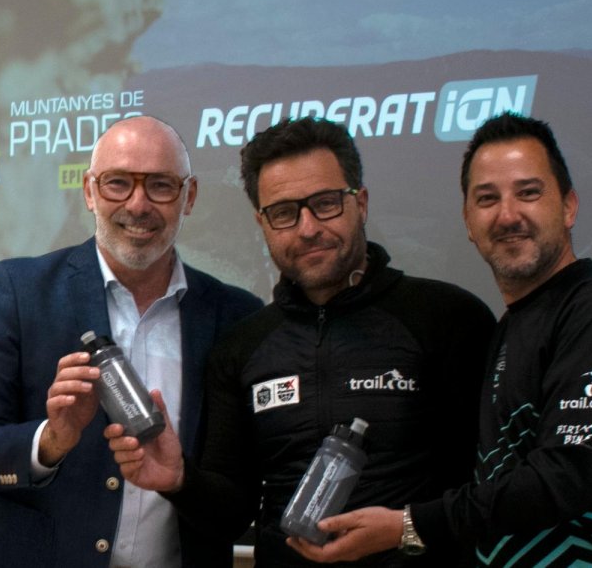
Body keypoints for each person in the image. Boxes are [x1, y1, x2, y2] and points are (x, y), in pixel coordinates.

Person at [288, 112, 592, 567]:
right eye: (487, 198)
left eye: (528, 193)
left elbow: (560, 480)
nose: (507, 215)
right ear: (467, 221)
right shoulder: (510, 327)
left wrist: (408, 524)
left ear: (568, 206)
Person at [105, 117, 497, 566]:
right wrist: (179, 480)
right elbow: (230, 514)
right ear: (263, 222)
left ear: (360, 202)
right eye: (285, 212)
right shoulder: (243, 345)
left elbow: (490, 492)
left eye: (325, 204)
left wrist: (406, 530)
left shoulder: (449, 318)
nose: (308, 228)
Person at [0, 116, 263, 568]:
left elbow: (239, 498)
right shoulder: (17, 291)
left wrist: (181, 481)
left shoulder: (236, 316)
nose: (138, 204)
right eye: (117, 183)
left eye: (160, 186)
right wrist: (50, 441)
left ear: (188, 197)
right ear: (89, 192)